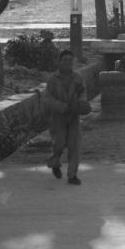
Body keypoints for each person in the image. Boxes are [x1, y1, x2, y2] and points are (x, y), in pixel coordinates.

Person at [42, 49, 86, 184]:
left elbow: (83, 94)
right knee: (59, 144)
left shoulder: (79, 78)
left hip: (74, 117)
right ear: (59, 62)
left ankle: (72, 175)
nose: (68, 63)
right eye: (65, 60)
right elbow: (48, 98)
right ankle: (55, 162)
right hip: (58, 117)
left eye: (70, 60)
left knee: (75, 146)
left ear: (73, 62)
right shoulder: (52, 79)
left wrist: (79, 105)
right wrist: (63, 107)